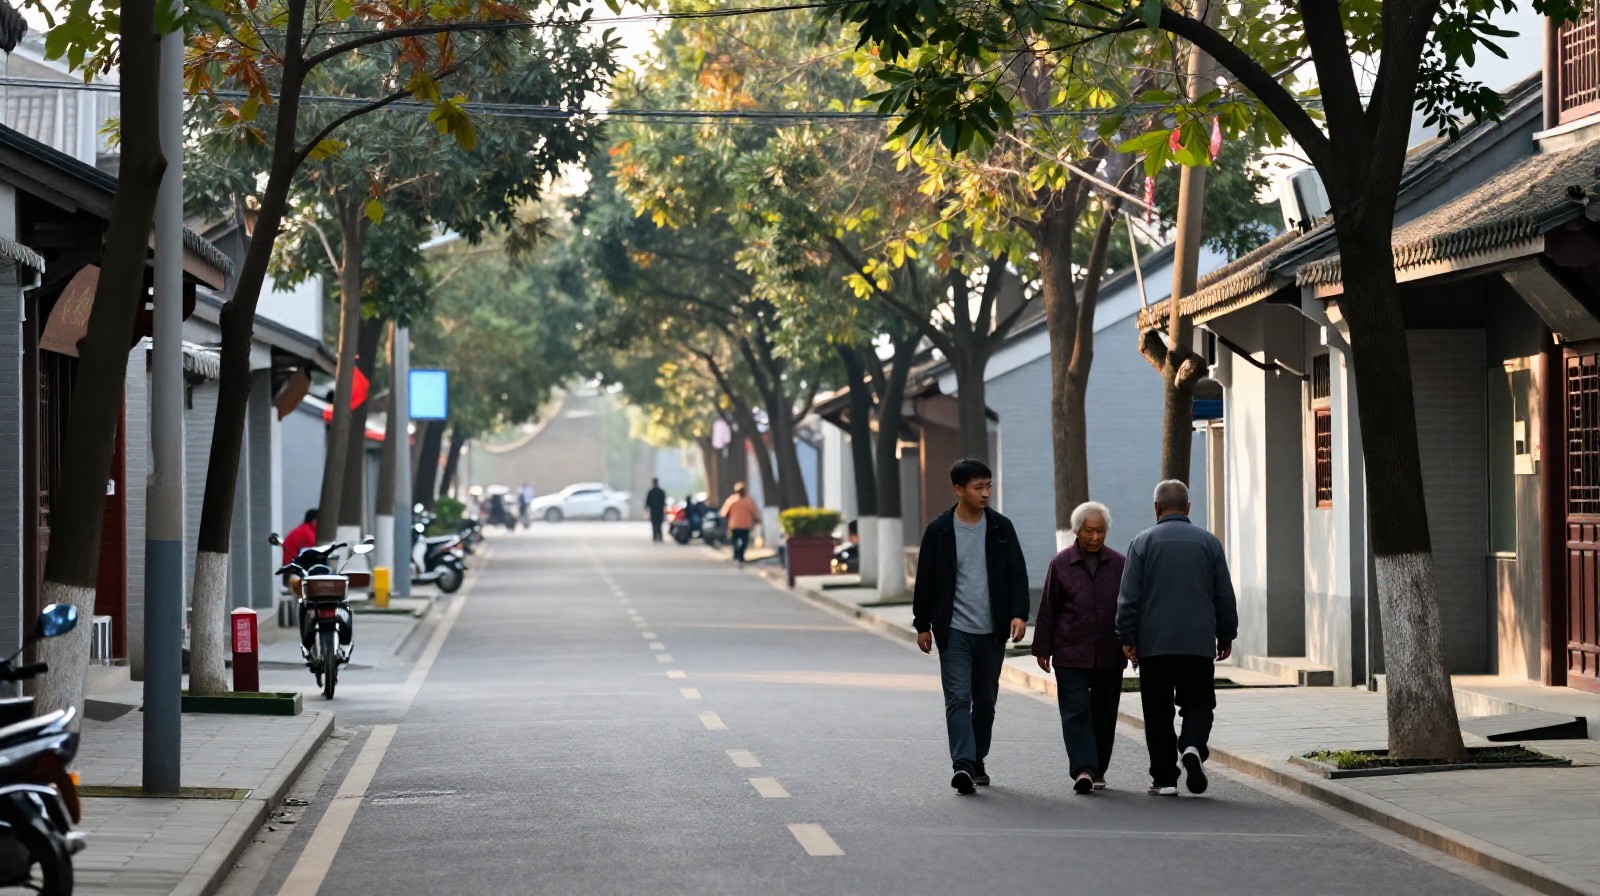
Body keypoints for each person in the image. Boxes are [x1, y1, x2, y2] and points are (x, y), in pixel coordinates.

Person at [912, 458, 1030, 795]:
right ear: (959, 490)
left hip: (991, 631)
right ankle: (963, 763)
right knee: (958, 698)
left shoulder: (1001, 528)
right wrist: (922, 624)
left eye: (988, 486)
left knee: (985, 701)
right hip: (954, 630)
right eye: (978, 487)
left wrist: (1019, 613)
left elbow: (1017, 574)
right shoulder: (939, 531)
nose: (986, 493)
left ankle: (977, 758)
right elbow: (926, 581)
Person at [1117, 479, 1239, 797]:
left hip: (1154, 645)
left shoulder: (1141, 543)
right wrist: (1226, 634)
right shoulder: (1209, 543)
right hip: (1197, 644)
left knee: (1158, 711)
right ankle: (1193, 746)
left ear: (1156, 508)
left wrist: (1126, 636)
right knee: (1198, 703)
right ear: (1188, 508)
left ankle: (1165, 779)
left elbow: (1129, 597)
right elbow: (1224, 594)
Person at [1033, 502, 1125, 795]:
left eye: (1101, 531)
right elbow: (1048, 608)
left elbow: (1129, 607)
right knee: (1075, 712)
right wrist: (1042, 648)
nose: (1096, 537)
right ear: (1077, 531)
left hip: (1109, 653)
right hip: (1071, 652)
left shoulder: (1120, 564)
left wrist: (1133, 643)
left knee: (1105, 713)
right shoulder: (1060, 564)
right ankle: (1084, 769)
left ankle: (1098, 769)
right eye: (1089, 531)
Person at [720, 484, 761, 569]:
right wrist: (757, 520)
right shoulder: (747, 501)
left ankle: (737, 555)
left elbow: (724, 514)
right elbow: (754, 513)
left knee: (737, 542)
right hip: (743, 525)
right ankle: (740, 556)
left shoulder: (732, 500)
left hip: (736, 525)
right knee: (743, 542)